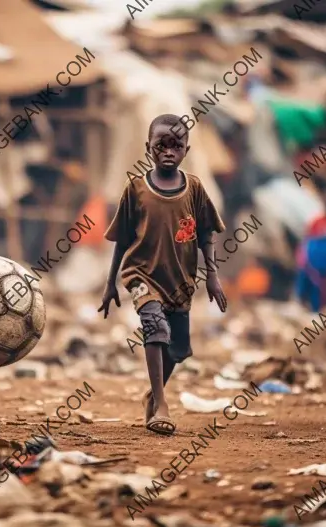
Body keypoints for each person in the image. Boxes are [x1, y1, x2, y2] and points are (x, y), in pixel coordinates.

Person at [98, 114, 227, 436]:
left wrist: (212, 276)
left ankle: (151, 395)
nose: (168, 151)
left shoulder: (194, 189)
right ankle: (161, 403)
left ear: (186, 149)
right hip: (141, 275)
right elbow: (123, 240)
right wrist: (110, 282)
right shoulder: (136, 189)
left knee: (178, 350)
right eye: (161, 146)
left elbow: (207, 234)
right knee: (155, 327)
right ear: (148, 148)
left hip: (180, 281)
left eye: (176, 146)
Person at [295, 188, 326, 312]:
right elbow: (307, 240)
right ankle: (303, 306)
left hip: (325, 263)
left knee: (321, 287)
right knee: (306, 283)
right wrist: (303, 257)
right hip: (312, 260)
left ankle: (317, 309)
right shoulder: (317, 222)